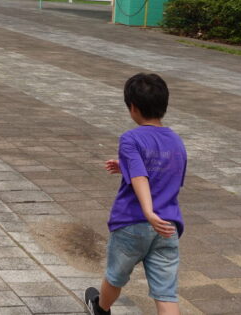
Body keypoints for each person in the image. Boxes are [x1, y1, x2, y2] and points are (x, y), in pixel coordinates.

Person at [85, 73, 187, 315]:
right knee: (166, 293)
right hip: (167, 226)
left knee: (115, 276)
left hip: (133, 223)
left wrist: (148, 211)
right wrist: (126, 167)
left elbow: (141, 177)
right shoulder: (176, 141)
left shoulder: (130, 138)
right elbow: (167, 173)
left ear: (133, 107)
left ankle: (101, 309)